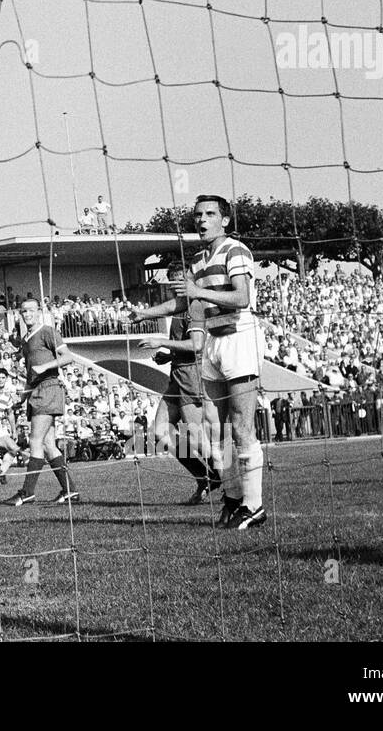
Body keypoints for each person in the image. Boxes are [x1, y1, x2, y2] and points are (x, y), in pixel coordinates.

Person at [131, 195, 266, 530]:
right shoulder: (198, 259)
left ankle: (255, 504)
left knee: (241, 424)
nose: (202, 220)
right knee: (213, 427)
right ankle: (233, 499)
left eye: (210, 214)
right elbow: (183, 302)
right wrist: (146, 313)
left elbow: (241, 297)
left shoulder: (235, 250)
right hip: (213, 342)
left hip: (239, 336)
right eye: (197, 215)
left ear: (226, 220)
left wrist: (198, 292)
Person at [1, 298, 101, 507]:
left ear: (38, 311)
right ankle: (70, 491)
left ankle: (27, 492)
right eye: (23, 311)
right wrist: (23, 396)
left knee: (35, 441)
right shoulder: (26, 339)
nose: (26, 314)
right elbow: (31, 374)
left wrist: (45, 366)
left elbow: (67, 357)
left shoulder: (47, 331)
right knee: (48, 445)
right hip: (36, 391)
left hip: (49, 389)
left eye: (30, 311)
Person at [138, 263, 221, 505]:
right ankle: (206, 477)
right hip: (177, 373)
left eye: (181, 280)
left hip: (192, 375)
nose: (177, 285)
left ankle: (230, 482)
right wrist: (168, 355)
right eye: (172, 281)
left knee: (196, 436)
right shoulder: (179, 307)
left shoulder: (195, 306)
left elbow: (196, 345)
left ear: (192, 280)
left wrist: (161, 342)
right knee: (160, 432)